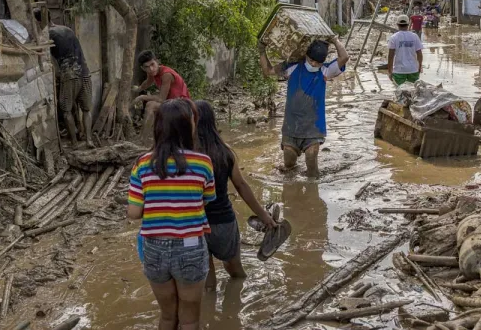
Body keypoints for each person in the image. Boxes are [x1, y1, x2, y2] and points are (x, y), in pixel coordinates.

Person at [127, 98, 215, 330]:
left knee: (167, 316)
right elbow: (205, 201)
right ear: (190, 126)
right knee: (189, 319)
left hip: (154, 248)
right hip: (190, 247)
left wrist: (157, 201)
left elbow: (134, 213)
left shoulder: (143, 164)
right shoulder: (203, 163)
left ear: (158, 127)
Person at [193, 100, 277, 289]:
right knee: (235, 270)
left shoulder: (187, 156)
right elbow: (241, 185)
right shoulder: (224, 152)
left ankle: (211, 315)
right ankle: (236, 302)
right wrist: (264, 216)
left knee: (207, 278)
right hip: (223, 222)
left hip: (196, 223)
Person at [258, 37, 349, 177]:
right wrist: (262, 50)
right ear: (306, 56)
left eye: (317, 63)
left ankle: (312, 194)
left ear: (322, 63)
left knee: (312, 166)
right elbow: (268, 71)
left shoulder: (325, 71)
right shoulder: (292, 67)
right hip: (291, 126)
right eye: (311, 60)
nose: (313, 64)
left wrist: (335, 40)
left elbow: (344, 57)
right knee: (288, 165)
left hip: (313, 128)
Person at [33, 8, 94, 148]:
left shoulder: (47, 35)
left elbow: (44, 56)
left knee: (66, 110)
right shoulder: (67, 29)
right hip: (85, 72)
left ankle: (74, 143)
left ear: (37, 21)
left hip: (69, 75)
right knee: (86, 109)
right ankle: (89, 140)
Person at [133, 50, 191, 142]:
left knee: (150, 105)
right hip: (170, 103)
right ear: (143, 68)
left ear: (157, 61)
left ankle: (142, 140)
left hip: (182, 105)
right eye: (147, 67)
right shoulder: (153, 72)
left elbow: (161, 99)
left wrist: (142, 97)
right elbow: (147, 83)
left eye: (152, 64)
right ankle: (145, 138)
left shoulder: (166, 74)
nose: (151, 69)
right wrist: (138, 89)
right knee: (151, 107)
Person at [388, 15, 423, 86]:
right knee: (413, 92)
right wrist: (419, 66)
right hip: (413, 69)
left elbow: (390, 56)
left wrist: (390, 71)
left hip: (399, 70)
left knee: (400, 92)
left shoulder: (393, 37)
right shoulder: (414, 36)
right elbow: (419, 53)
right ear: (408, 24)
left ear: (397, 24)